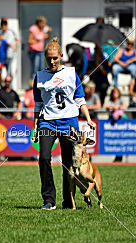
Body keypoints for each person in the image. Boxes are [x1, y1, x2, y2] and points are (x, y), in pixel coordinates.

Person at [32, 37, 96, 210]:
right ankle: (48, 200)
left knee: (68, 163)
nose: (52, 61)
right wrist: (36, 125)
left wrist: (88, 119)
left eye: (55, 58)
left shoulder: (71, 73)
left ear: (61, 56)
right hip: (47, 122)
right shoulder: (39, 76)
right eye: (49, 58)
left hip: (69, 122)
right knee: (44, 158)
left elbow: (80, 98)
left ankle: (69, 201)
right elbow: (38, 104)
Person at [105, 87, 127, 162]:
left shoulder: (121, 100)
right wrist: (113, 107)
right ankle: (117, 157)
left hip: (121, 123)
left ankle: (119, 157)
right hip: (112, 123)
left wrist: (117, 107)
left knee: (120, 140)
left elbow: (125, 106)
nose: (115, 94)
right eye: (114, 93)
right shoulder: (110, 100)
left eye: (116, 93)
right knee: (114, 140)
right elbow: (107, 106)